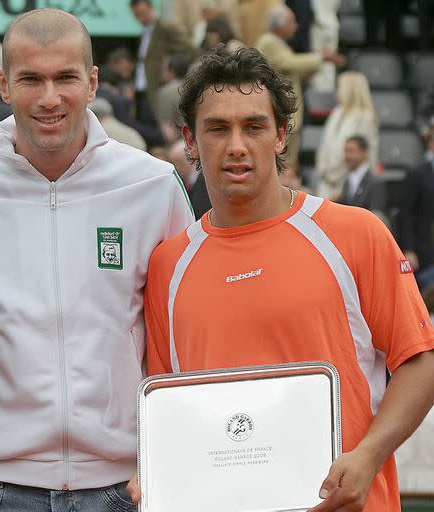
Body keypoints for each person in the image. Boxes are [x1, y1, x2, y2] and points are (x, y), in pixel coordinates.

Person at [140, 46, 434, 511]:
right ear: (190, 141)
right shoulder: (167, 266)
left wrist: (369, 457)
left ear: (280, 136)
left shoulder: (356, 234)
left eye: (254, 126)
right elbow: (168, 407)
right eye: (218, 128)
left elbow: (421, 362)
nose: (237, 145)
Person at [0, 8, 194, 511]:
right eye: (31, 79)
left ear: (92, 83)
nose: (49, 98)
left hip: (124, 486)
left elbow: (182, 335)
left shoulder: (152, 187)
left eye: (65, 78)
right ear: (4, 85)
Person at [256, 5, 344, 174]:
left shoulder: (280, 44)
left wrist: (316, 63)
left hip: (288, 113)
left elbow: (295, 71)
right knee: (281, 163)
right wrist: (321, 56)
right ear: (279, 25)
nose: (296, 26)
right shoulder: (269, 42)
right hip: (280, 111)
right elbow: (290, 63)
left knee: (288, 162)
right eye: (291, 22)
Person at [130, 0, 195, 129]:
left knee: (160, 129)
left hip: (158, 88)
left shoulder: (166, 28)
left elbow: (189, 51)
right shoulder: (144, 33)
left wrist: (170, 69)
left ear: (150, 7)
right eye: (136, 15)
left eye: (142, 13)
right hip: (142, 89)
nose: (140, 18)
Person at [315, 71, 379, 200]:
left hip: (346, 183)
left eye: (339, 87)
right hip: (325, 180)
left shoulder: (365, 117)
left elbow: (363, 155)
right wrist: (323, 170)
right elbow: (323, 146)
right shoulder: (336, 112)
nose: (337, 91)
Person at [397, 123, 434, 290]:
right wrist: (408, 249)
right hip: (424, 250)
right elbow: (406, 214)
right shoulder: (417, 174)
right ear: (431, 143)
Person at [335, 135, 385, 219]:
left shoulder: (375, 182)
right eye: (345, 151)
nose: (347, 156)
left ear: (364, 152)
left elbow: (376, 216)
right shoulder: (347, 181)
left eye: (351, 151)